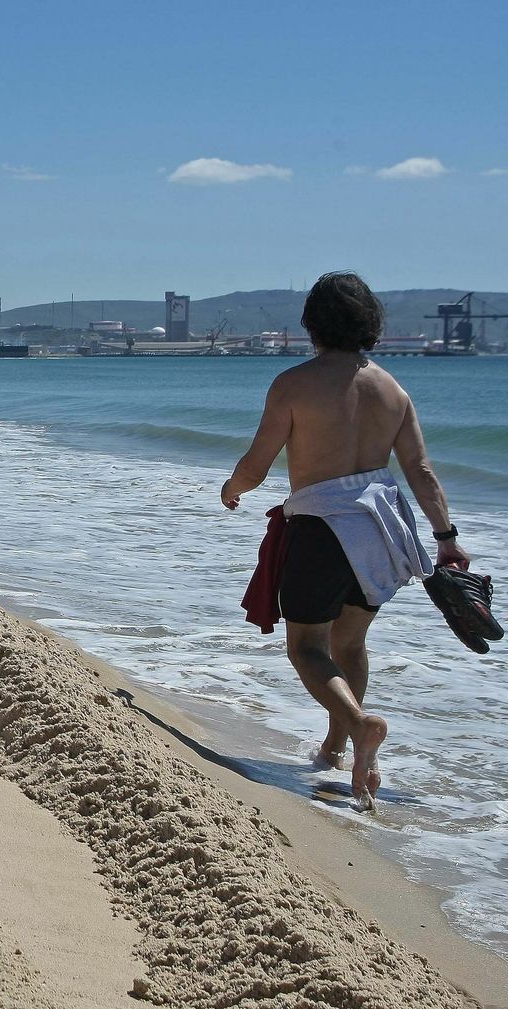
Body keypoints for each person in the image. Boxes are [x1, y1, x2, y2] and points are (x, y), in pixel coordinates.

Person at [222, 271, 469, 809]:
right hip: (381, 533)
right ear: (370, 324)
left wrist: (232, 488)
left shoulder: (295, 383)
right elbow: (421, 471)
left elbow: (258, 462)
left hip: (322, 528)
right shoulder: (392, 389)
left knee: (308, 647)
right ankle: (335, 748)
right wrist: (445, 537)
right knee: (351, 644)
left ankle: (358, 727)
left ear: (313, 324)